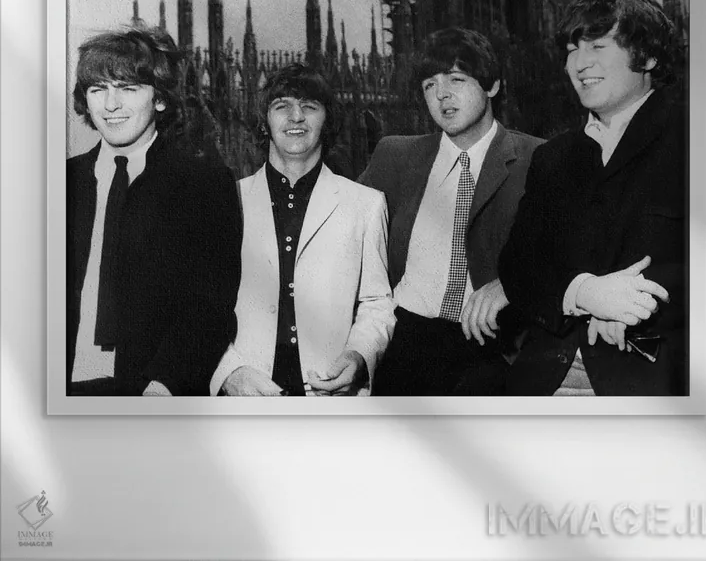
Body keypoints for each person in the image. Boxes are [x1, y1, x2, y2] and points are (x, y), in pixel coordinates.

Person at [499, 0, 687, 396]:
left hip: (657, 382)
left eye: (598, 46)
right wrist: (584, 294)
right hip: (544, 381)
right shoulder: (553, 157)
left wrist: (634, 306)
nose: (580, 63)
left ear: (648, 56)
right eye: (572, 49)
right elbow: (517, 265)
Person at [359, 28, 542, 395]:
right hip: (406, 346)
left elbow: (569, 252)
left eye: (456, 79)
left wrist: (514, 282)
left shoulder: (537, 159)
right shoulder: (395, 156)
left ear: (492, 86)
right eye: (430, 85)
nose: (441, 94)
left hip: (495, 349)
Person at [67, 27, 242, 396]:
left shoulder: (204, 184)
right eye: (97, 89)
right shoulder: (58, 182)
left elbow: (210, 307)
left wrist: (164, 384)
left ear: (160, 99)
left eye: (128, 89)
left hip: (153, 392)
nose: (110, 105)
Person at [211, 64, 395, 396]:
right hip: (248, 391)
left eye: (309, 107)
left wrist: (358, 355)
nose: (296, 117)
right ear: (265, 121)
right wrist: (228, 373)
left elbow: (376, 302)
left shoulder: (366, 204)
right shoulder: (228, 199)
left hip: (329, 392)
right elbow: (201, 305)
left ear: (327, 120)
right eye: (281, 106)